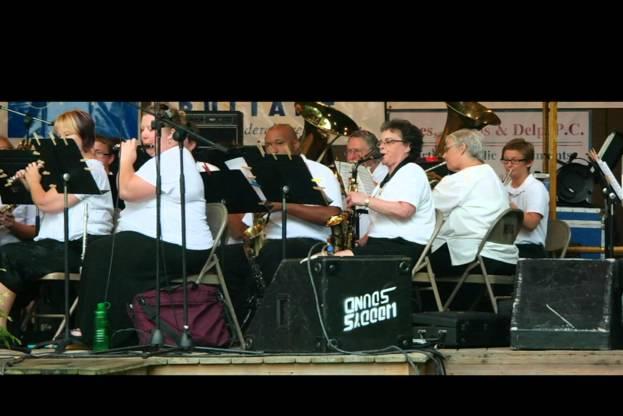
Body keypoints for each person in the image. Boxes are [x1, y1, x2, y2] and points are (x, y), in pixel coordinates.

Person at [76, 107, 214, 348]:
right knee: (104, 251)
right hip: (156, 241)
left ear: (172, 134)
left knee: (107, 252)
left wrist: (126, 160)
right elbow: (130, 192)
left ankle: (111, 333)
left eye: (152, 128)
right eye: (142, 129)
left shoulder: (175, 159)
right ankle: (102, 331)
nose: (145, 135)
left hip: (181, 246)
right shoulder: (159, 162)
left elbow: (127, 191)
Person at [0, 110, 114, 347]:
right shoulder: (59, 172)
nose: (61, 140)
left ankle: (2, 332)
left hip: (81, 247)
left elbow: (47, 204)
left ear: (87, 139)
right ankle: (10, 331)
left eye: (68, 135)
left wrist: (33, 182)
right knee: (10, 258)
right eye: (57, 135)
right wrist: (26, 182)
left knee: (9, 256)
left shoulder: (92, 168)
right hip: (52, 245)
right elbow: (41, 198)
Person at [222, 123, 343, 323]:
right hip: (267, 243)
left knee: (274, 251)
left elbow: (331, 216)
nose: (272, 150)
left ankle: (264, 321)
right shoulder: (260, 176)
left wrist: (284, 207)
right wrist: (231, 200)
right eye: (268, 145)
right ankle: (238, 324)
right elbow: (239, 232)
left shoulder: (319, 171)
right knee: (226, 258)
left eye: (279, 143)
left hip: (309, 242)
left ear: (296, 145)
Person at [336, 119, 435, 268]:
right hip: (386, 245)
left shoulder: (412, 171)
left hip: (403, 246)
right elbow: (384, 218)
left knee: (332, 263)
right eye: (381, 142)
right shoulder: (389, 178)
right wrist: (364, 239)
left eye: (388, 142)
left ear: (407, 146)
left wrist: (366, 200)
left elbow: (405, 210)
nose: (381, 146)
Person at [429, 129, 519, 278]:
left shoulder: (459, 179)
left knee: (408, 260)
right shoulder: (491, 175)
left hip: (471, 257)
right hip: (505, 257)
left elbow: (428, 212)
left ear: (462, 148)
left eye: (447, 148)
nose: (443, 155)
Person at [501, 137, 549, 258]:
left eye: (514, 161)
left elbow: (532, 223)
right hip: (508, 246)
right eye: (505, 161)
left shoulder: (536, 188)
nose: (509, 166)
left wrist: (509, 205)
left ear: (529, 162)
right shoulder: (505, 187)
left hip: (529, 248)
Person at [0, 136, 38, 246]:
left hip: (13, 251)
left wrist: (12, 225)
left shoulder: (25, 184)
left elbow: (35, 232)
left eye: (4, 152)